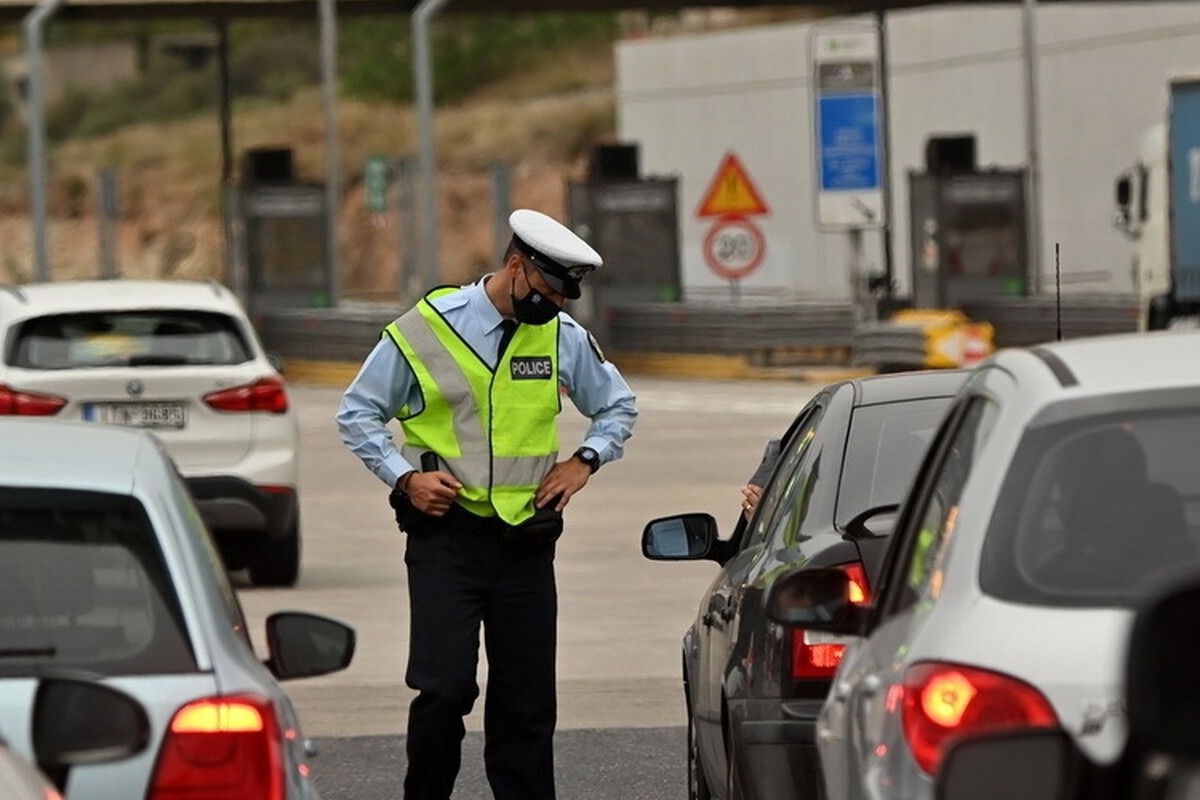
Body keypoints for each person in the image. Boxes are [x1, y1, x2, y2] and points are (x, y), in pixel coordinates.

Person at [336, 208, 638, 800]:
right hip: (447, 538)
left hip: (525, 545)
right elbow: (358, 413)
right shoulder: (424, 329)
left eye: (561, 297)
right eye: (546, 291)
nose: (551, 305)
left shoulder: (559, 334)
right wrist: (403, 478)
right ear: (515, 265)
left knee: (526, 704)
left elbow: (619, 405)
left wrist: (586, 460)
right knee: (444, 691)